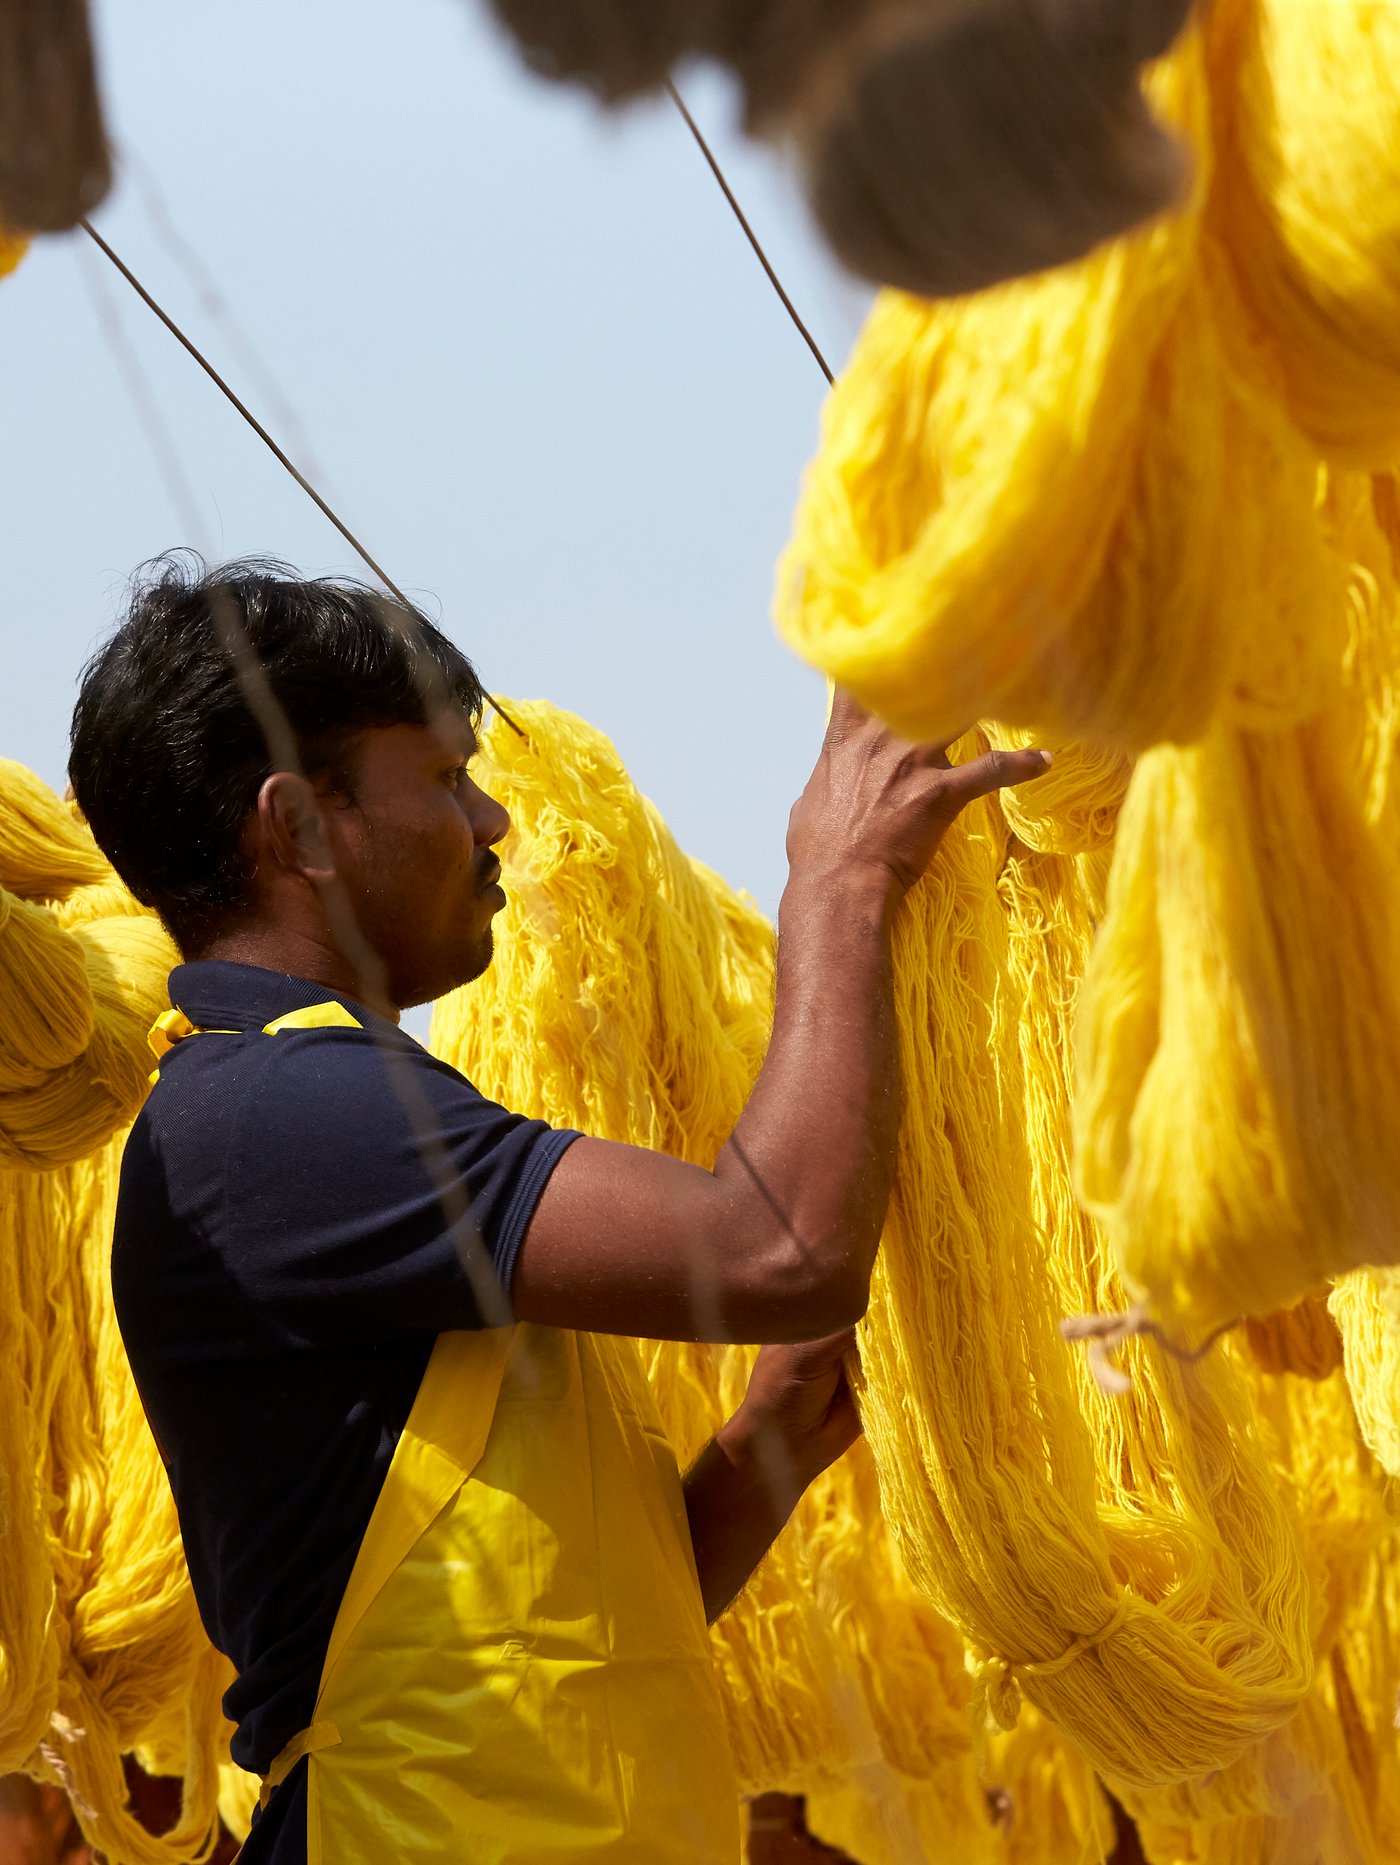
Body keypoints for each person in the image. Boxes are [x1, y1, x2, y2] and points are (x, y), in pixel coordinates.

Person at [68, 557, 1048, 1865]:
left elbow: (549, 1643)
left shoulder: (325, 1109)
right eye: (443, 777)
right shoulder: (281, 1114)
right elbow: (777, 1246)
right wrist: (840, 879)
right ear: (297, 827)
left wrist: (761, 1446)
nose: (492, 820)